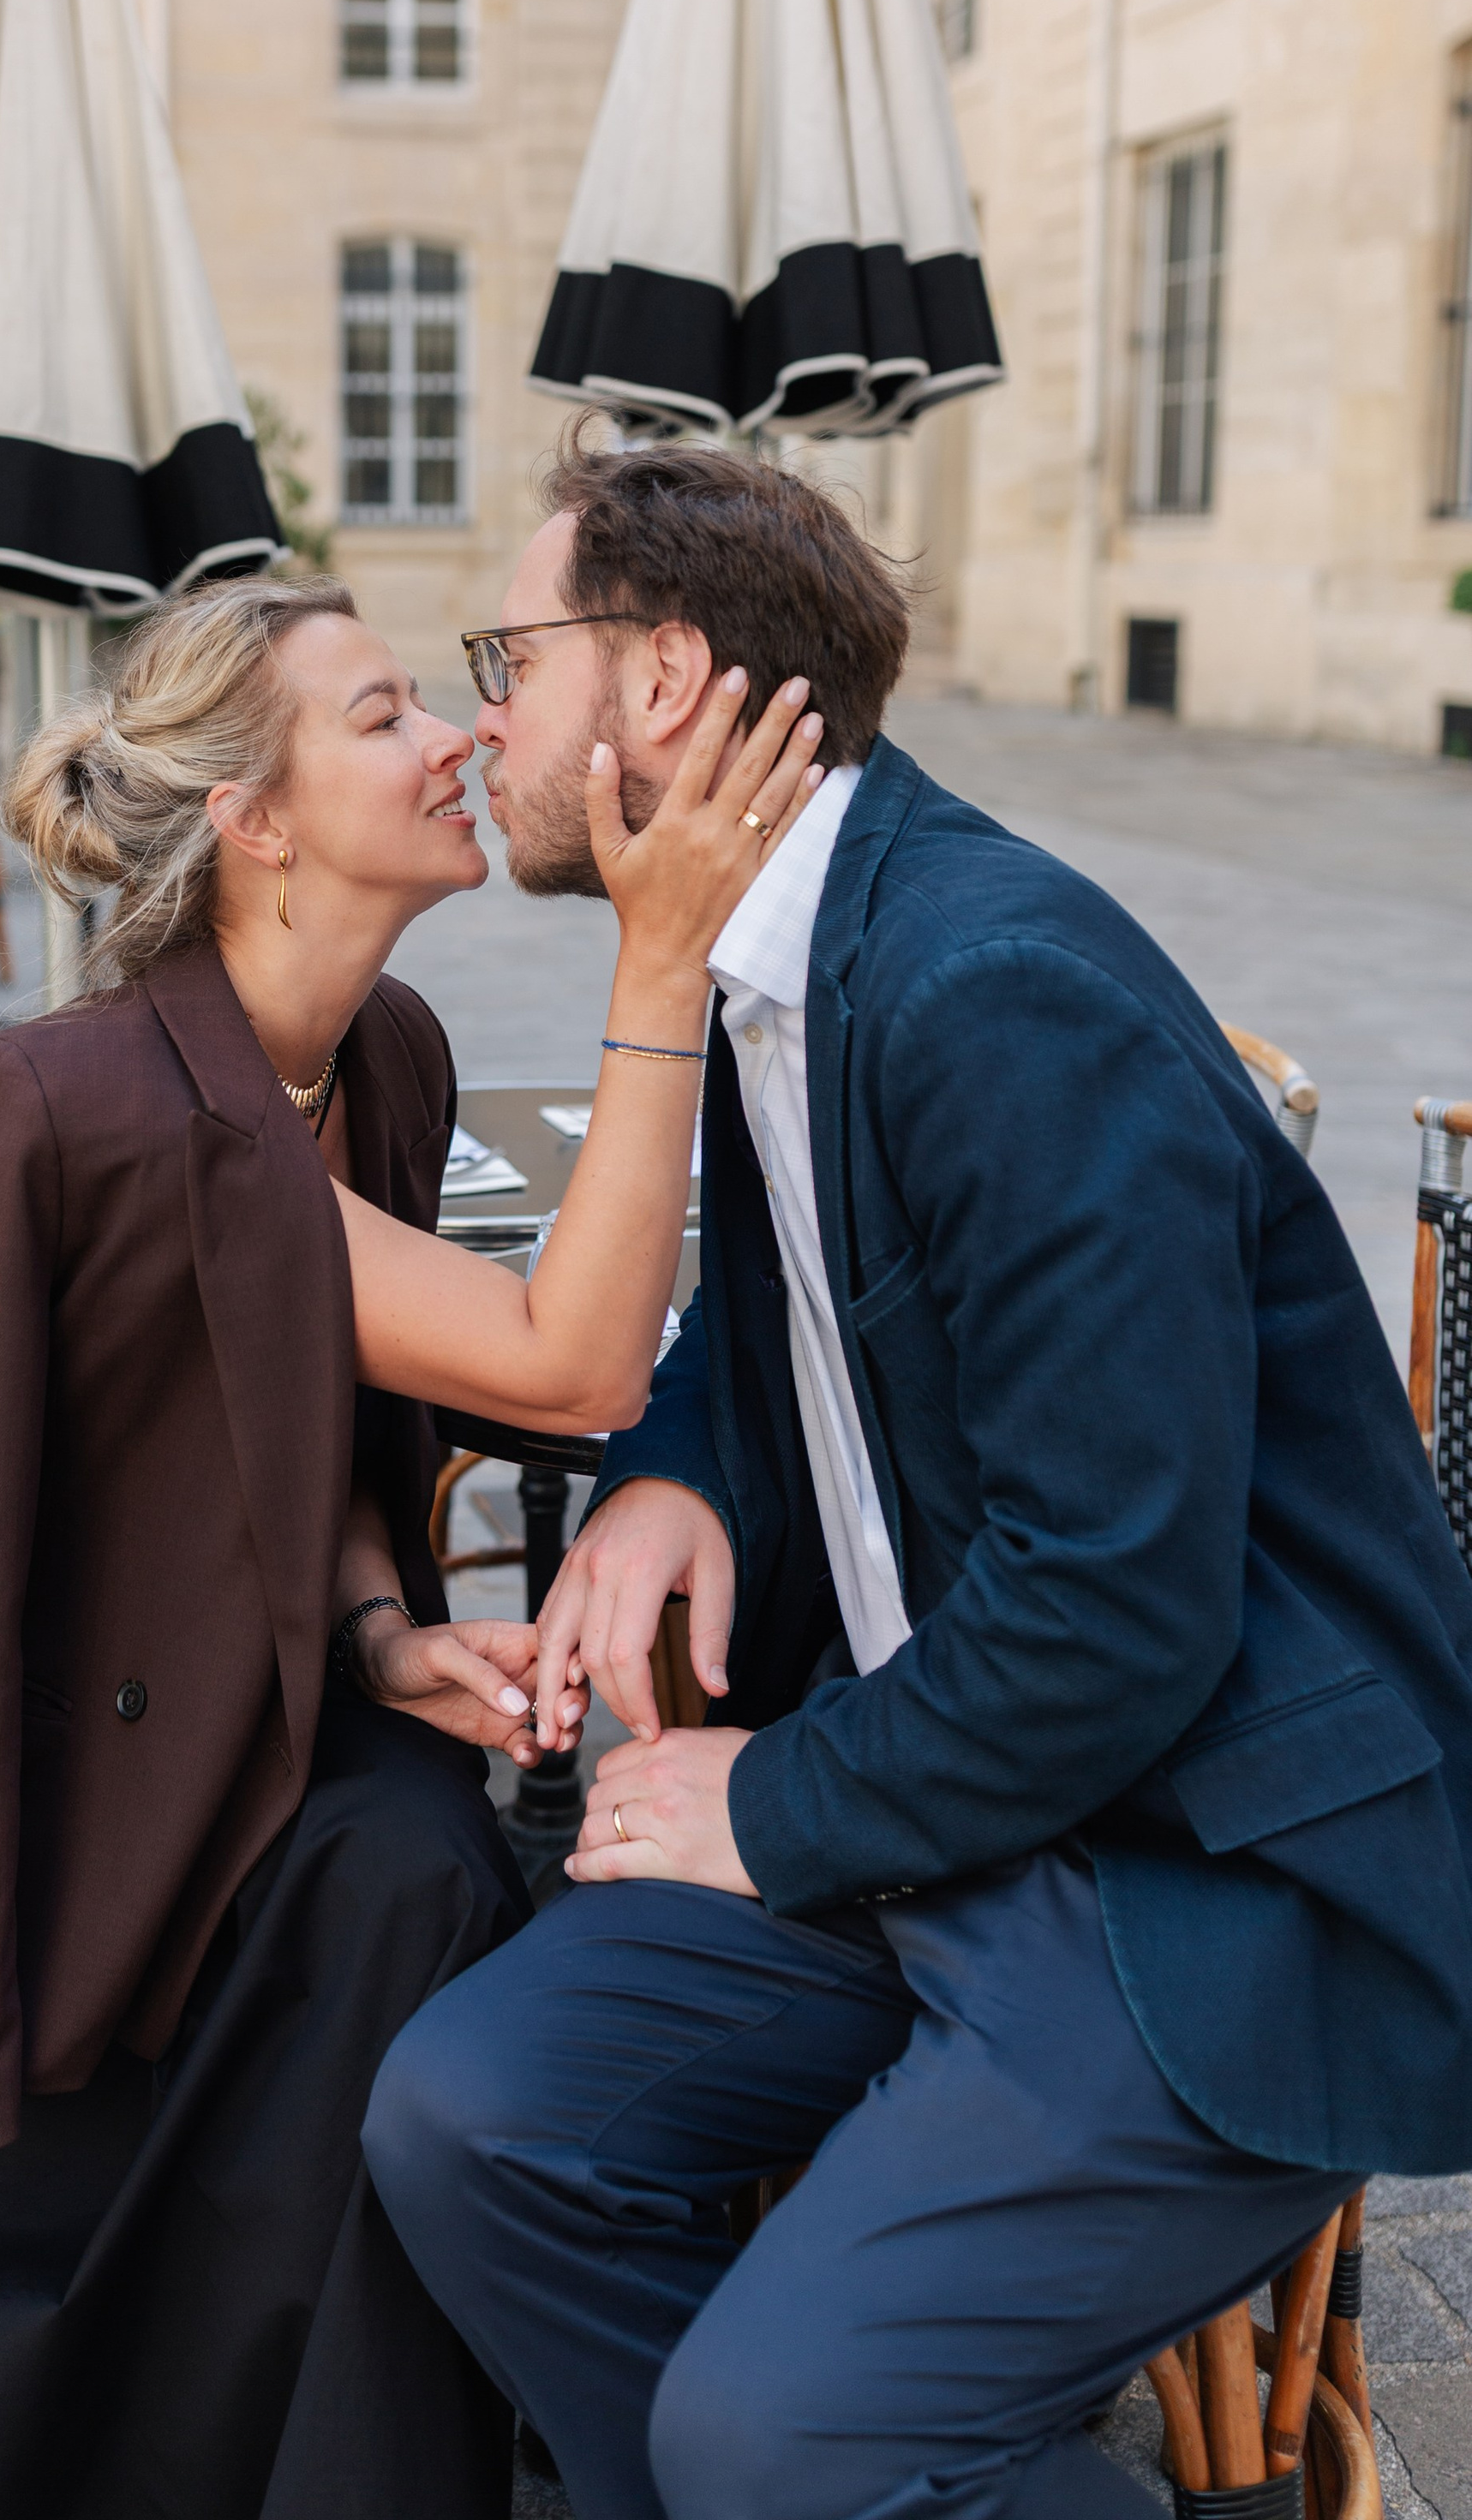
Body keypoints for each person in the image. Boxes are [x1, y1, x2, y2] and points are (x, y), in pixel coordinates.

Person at [365, 431, 1472, 2520]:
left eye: (507, 652)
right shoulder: (773, 952)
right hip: (942, 1801)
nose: (485, 712)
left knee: (779, 2435)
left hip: (1185, 1867)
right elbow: (766, 1330)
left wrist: (765, 1797)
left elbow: (1116, 1604)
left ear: (664, 679)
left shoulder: (989, 994)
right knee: (464, 2122)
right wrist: (670, 1474)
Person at [0, 569, 821, 2520]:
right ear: (255, 822)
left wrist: (369, 1630)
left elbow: (300, 1423)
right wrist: (659, 964)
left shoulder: (387, 1052)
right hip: (15, 1775)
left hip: (231, 1665)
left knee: (437, 1850)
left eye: (432, 700)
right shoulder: (73, 1102)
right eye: (381, 716)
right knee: (416, 1879)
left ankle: (399, 2427)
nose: (456, 738)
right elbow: (579, 1365)